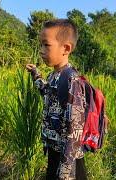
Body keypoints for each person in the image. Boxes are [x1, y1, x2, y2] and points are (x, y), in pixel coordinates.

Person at [26, 19, 87, 179]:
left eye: (46, 45)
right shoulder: (54, 75)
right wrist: (36, 74)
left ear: (66, 48)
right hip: (55, 149)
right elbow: (47, 93)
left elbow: (76, 129)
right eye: (41, 45)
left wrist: (66, 169)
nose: (41, 50)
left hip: (68, 157)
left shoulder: (71, 80)